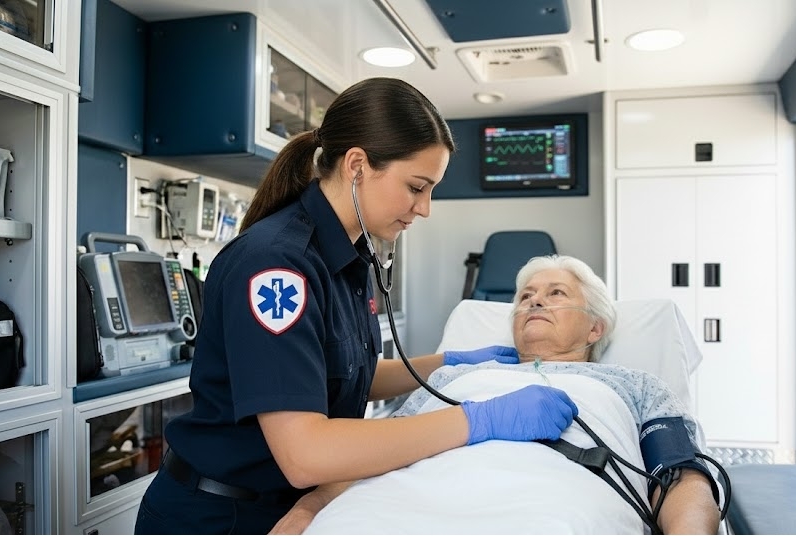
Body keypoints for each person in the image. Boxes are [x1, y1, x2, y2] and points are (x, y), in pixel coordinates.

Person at [133, 78, 578, 535]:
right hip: (219, 516)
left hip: (288, 508)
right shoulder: (276, 267)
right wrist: (480, 420)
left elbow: (344, 379)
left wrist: (450, 364)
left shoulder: (346, 257)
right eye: (416, 187)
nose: (424, 208)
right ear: (358, 165)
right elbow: (307, 454)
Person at [292, 254, 722, 535]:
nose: (534, 303)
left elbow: (681, 477)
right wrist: (311, 509)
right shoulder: (451, 379)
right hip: (399, 501)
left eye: (556, 294)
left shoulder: (634, 384)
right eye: (525, 297)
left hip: (558, 505)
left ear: (595, 327)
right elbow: (379, 451)